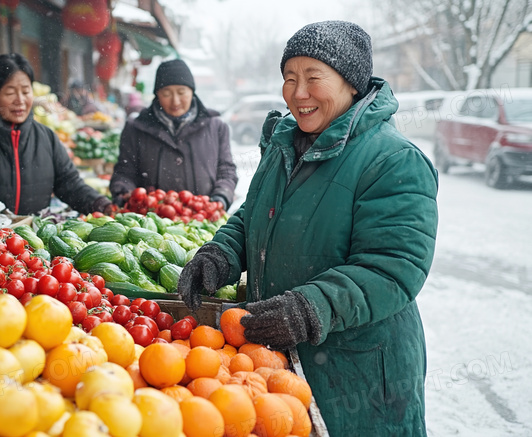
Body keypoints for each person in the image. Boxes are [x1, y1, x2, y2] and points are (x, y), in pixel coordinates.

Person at [177, 21, 438, 435]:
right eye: (289, 78)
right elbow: (257, 214)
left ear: (351, 84)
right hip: (285, 361)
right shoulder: (286, 144)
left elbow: (394, 267)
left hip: (360, 370)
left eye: (313, 78)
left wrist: (310, 307)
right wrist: (222, 253)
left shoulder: (393, 160)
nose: (298, 93)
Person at [0, 54, 112, 216]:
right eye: (10, 92)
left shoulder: (46, 138)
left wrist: (101, 204)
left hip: (31, 248)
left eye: (25, 91)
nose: (20, 101)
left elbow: (70, 184)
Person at [109, 59, 238, 210]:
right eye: (167, 93)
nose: (175, 101)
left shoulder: (216, 127)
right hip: (152, 221)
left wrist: (222, 196)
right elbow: (124, 172)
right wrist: (122, 193)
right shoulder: (136, 128)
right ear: (157, 94)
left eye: (182, 92)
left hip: (203, 218)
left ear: (192, 92)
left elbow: (226, 170)